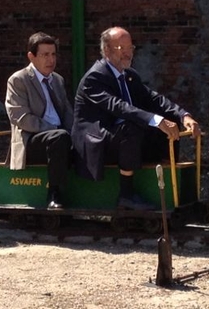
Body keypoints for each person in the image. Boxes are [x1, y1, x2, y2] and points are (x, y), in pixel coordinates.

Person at [72, 26, 200, 210]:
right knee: (133, 126)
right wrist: (156, 120)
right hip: (97, 139)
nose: (127, 53)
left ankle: (167, 186)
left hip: (118, 136)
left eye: (130, 48)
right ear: (106, 50)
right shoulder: (95, 77)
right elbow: (118, 107)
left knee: (165, 126)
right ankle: (126, 195)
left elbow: (154, 98)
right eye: (121, 48)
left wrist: (183, 116)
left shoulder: (129, 76)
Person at [5, 32, 74, 209]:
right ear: (31, 56)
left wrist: (77, 131)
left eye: (53, 54)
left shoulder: (57, 80)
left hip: (60, 136)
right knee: (59, 137)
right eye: (45, 55)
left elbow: (66, 111)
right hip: (32, 139)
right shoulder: (18, 80)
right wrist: (53, 129)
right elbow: (21, 118)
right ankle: (54, 192)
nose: (51, 60)